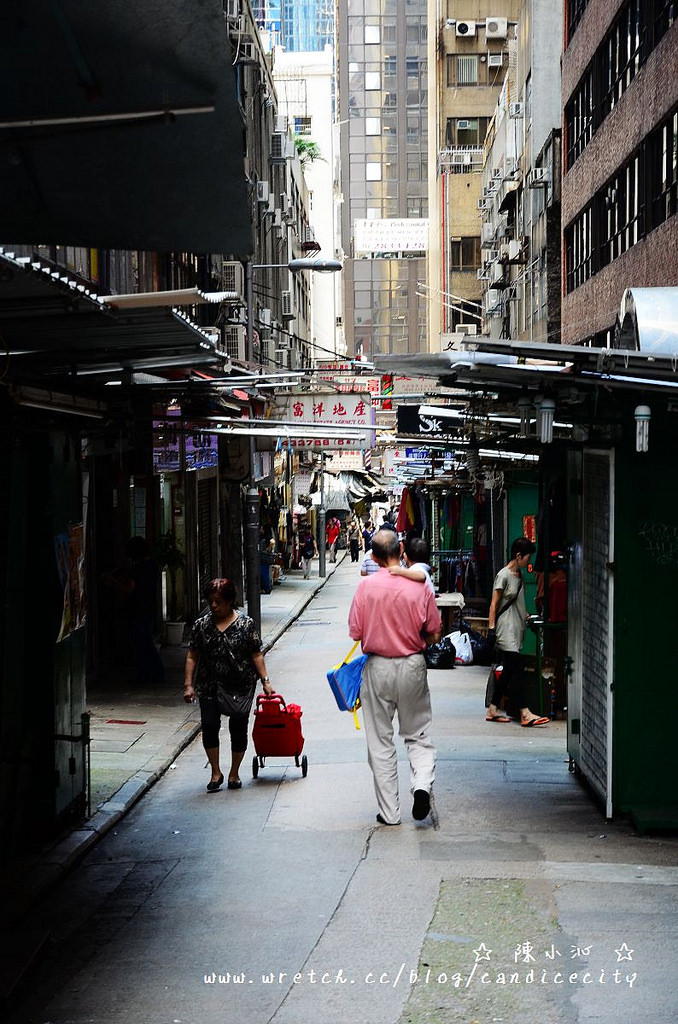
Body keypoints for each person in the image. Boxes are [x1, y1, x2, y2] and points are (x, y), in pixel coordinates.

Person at [348, 529, 442, 826]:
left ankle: (389, 814)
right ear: (401, 550)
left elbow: (355, 632)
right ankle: (422, 785)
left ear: (373, 557)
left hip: (377, 667)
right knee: (418, 734)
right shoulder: (420, 584)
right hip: (413, 664)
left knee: (380, 741)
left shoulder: (365, 588)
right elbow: (435, 631)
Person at [183, 578, 274, 791]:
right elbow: (192, 657)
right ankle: (216, 773)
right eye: (211, 601)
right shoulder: (202, 626)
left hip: (240, 685)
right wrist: (188, 684)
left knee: (238, 728)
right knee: (210, 725)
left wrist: (266, 681)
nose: (214, 605)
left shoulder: (245, 624)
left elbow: (256, 654)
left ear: (229, 601)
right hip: (209, 684)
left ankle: (234, 773)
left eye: (219, 601)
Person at [485, 537, 549, 727]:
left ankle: (493, 709)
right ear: (518, 555)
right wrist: (491, 629)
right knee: (517, 670)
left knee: (508, 672)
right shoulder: (503, 575)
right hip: (506, 629)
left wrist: (527, 615)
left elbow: (517, 603)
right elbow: (494, 603)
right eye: (527, 557)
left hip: (517, 627)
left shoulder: (519, 575)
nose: (528, 561)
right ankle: (525, 713)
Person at [102, 536, 164, 686]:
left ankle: (147, 674)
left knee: (142, 644)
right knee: (145, 642)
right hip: (147, 608)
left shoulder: (137, 569)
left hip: (136, 609)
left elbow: (129, 588)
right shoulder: (152, 566)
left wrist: (112, 582)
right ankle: (154, 673)